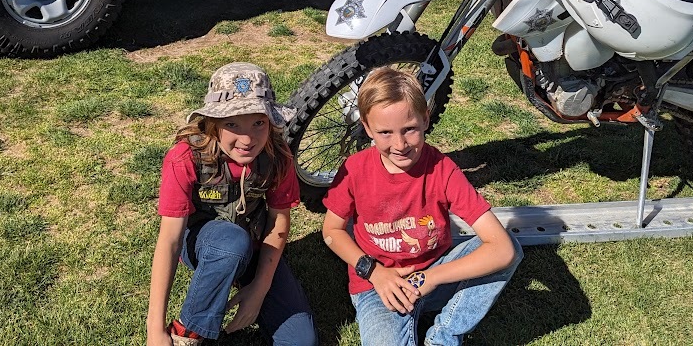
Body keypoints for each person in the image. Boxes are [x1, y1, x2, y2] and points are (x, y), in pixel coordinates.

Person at [321, 67, 522, 346]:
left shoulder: (442, 169)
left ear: (426, 118)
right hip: (378, 286)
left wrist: (431, 277)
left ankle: (443, 338)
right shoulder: (355, 170)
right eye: (385, 133)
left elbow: (501, 248)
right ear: (367, 128)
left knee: (508, 248)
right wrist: (374, 272)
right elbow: (332, 230)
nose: (400, 144)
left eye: (410, 129)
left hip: (435, 273)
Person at [147, 62, 317, 346]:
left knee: (301, 340)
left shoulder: (278, 156)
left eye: (258, 123)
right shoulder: (185, 157)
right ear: (213, 123)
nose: (247, 139)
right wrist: (155, 330)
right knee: (230, 243)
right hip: (206, 243)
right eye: (232, 124)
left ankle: (241, 276)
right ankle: (189, 333)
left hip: (254, 244)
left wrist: (259, 290)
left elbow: (278, 221)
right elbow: (170, 240)